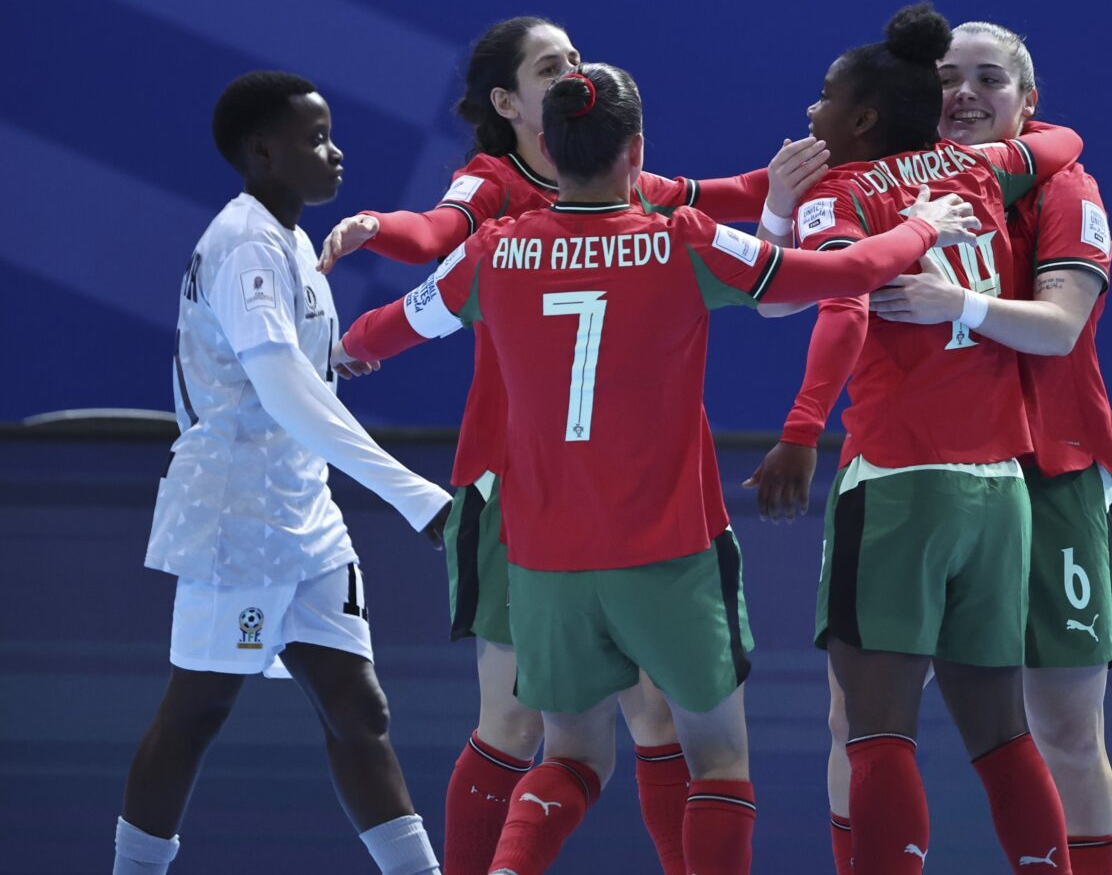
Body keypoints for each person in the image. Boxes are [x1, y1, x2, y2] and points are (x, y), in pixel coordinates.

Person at [340, 62, 983, 875]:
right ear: (636, 151)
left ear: (549, 144)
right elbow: (841, 276)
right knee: (715, 759)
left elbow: (394, 327)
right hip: (668, 554)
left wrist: (342, 349)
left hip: (544, 563)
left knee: (570, 756)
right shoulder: (681, 241)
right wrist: (923, 225)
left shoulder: (492, 255)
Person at [313, 16, 827, 875]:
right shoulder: (491, 185)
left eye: (576, 62)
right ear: (508, 104)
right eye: (550, 68)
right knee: (517, 725)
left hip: (607, 489)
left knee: (658, 720)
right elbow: (434, 234)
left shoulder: (624, 190)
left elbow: (714, 194)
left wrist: (780, 182)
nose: (571, 75)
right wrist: (377, 226)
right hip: (516, 485)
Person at [746, 3, 1084, 875]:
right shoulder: (978, 170)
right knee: (1003, 736)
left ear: (862, 116)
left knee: (877, 733)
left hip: (900, 477)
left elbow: (820, 301)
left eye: (823, 99)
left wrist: (800, 430)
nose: (809, 113)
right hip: (1000, 490)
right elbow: (1062, 142)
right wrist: (782, 207)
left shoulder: (846, 193)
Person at [114, 71, 452, 875]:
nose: (334, 153)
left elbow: (290, 373)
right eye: (315, 138)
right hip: (237, 516)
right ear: (262, 150)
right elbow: (281, 391)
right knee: (196, 711)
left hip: (303, 511)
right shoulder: (245, 246)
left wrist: (331, 359)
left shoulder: (293, 240)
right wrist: (420, 499)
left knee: (358, 709)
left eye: (330, 134)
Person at [853, 21, 1112, 875]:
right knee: (856, 722)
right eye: (947, 78)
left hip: (1052, 478)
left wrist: (955, 305)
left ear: (1027, 102)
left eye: (989, 79)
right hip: (929, 474)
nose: (964, 93)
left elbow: (1061, 327)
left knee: (1065, 729)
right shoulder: (894, 183)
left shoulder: (1065, 189)